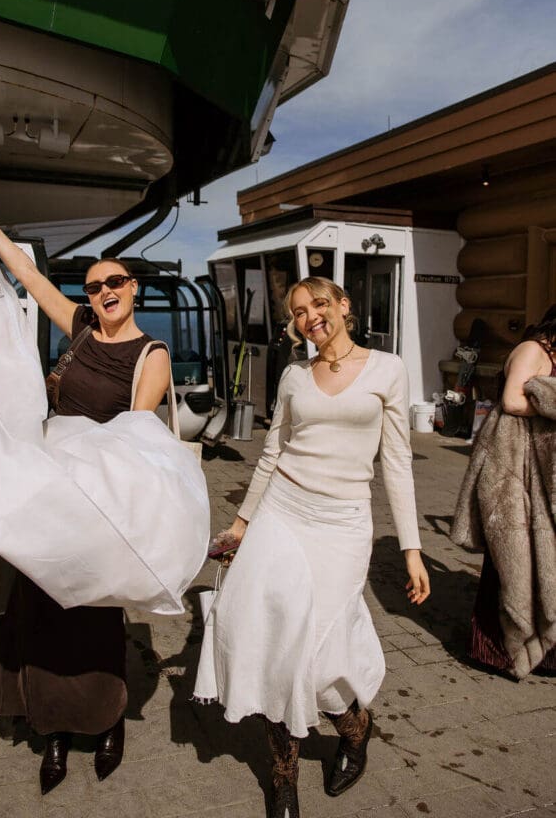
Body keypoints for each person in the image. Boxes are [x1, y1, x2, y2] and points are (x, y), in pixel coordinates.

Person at [0, 184, 171, 794]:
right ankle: (52, 727)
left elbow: (135, 439)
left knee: (95, 617)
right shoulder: (78, 327)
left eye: (116, 282)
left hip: (99, 501)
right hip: (51, 491)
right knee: (41, 609)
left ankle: (107, 722)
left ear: (133, 288)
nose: (104, 292)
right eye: (95, 286)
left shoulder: (151, 354)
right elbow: (26, 273)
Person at [198, 277, 430, 817]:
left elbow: (397, 463)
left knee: (320, 658)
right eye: (299, 311)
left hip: (343, 524)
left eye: (318, 304)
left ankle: (356, 728)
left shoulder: (388, 369)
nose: (310, 318)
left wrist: (412, 550)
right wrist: (241, 524)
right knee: (275, 647)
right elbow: (273, 452)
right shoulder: (294, 375)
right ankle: (283, 781)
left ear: (344, 306)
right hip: (281, 513)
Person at [454, 304, 556, 676]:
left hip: (540, 470)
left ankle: (543, 647)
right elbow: (513, 400)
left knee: (543, 558)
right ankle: (496, 649)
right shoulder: (533, 350)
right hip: (514, 468)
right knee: (513, 558)